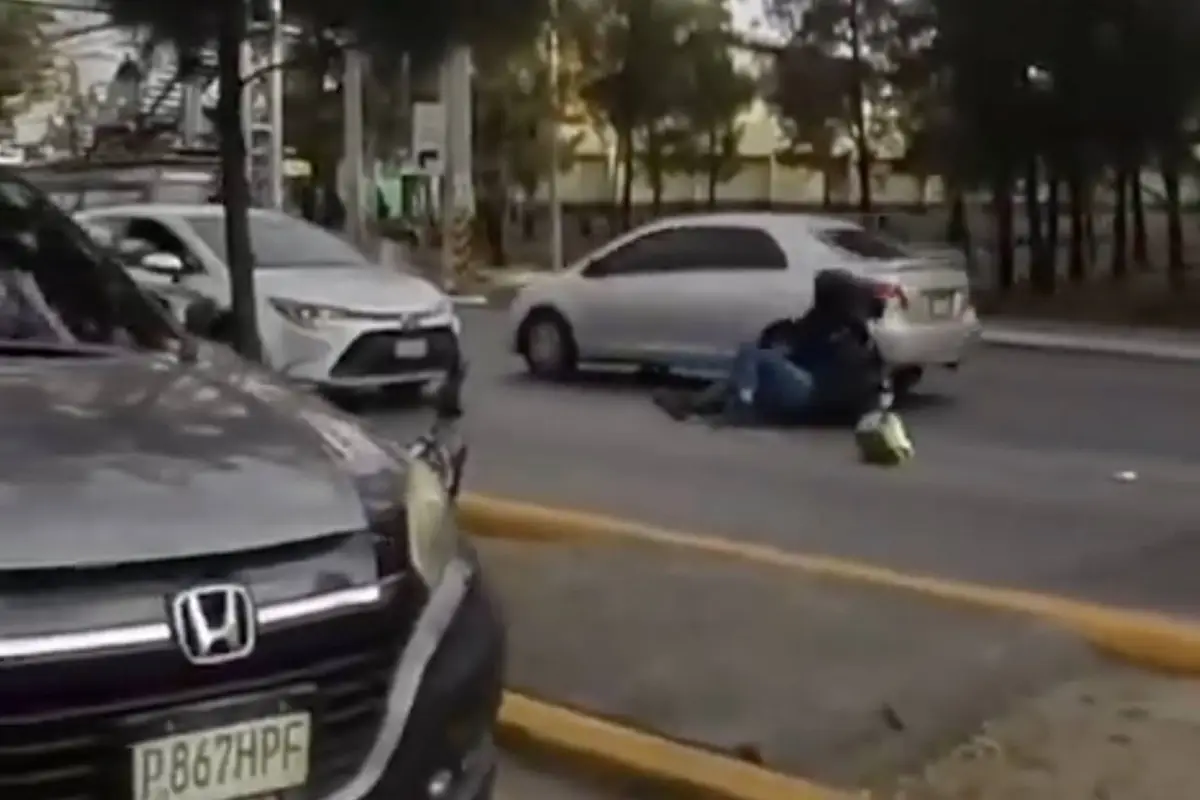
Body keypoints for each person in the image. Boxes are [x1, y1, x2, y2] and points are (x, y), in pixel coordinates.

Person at [653, 269, 887, 426]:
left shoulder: (830, 326)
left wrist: (779, 350)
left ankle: (740, 409)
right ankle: (696, 403)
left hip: (814, 396)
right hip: (828, 399)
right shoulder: (855, 329)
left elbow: (802, 349)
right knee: (752, 365)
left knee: (750, 354)